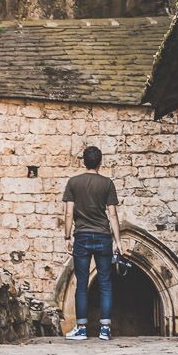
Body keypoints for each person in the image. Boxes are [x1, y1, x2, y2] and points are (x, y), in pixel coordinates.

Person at [62, 145, 121, 341]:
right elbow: (112, 214)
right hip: (103, 236)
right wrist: (117, 241)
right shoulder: (107, 183)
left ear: (83, 161)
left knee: (81, 284)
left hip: (82, 237)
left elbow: (69, 212)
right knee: (105, 283)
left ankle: (81, 329)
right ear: (100, 162)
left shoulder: (73, 182)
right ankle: (105, 329)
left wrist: (67, 237)